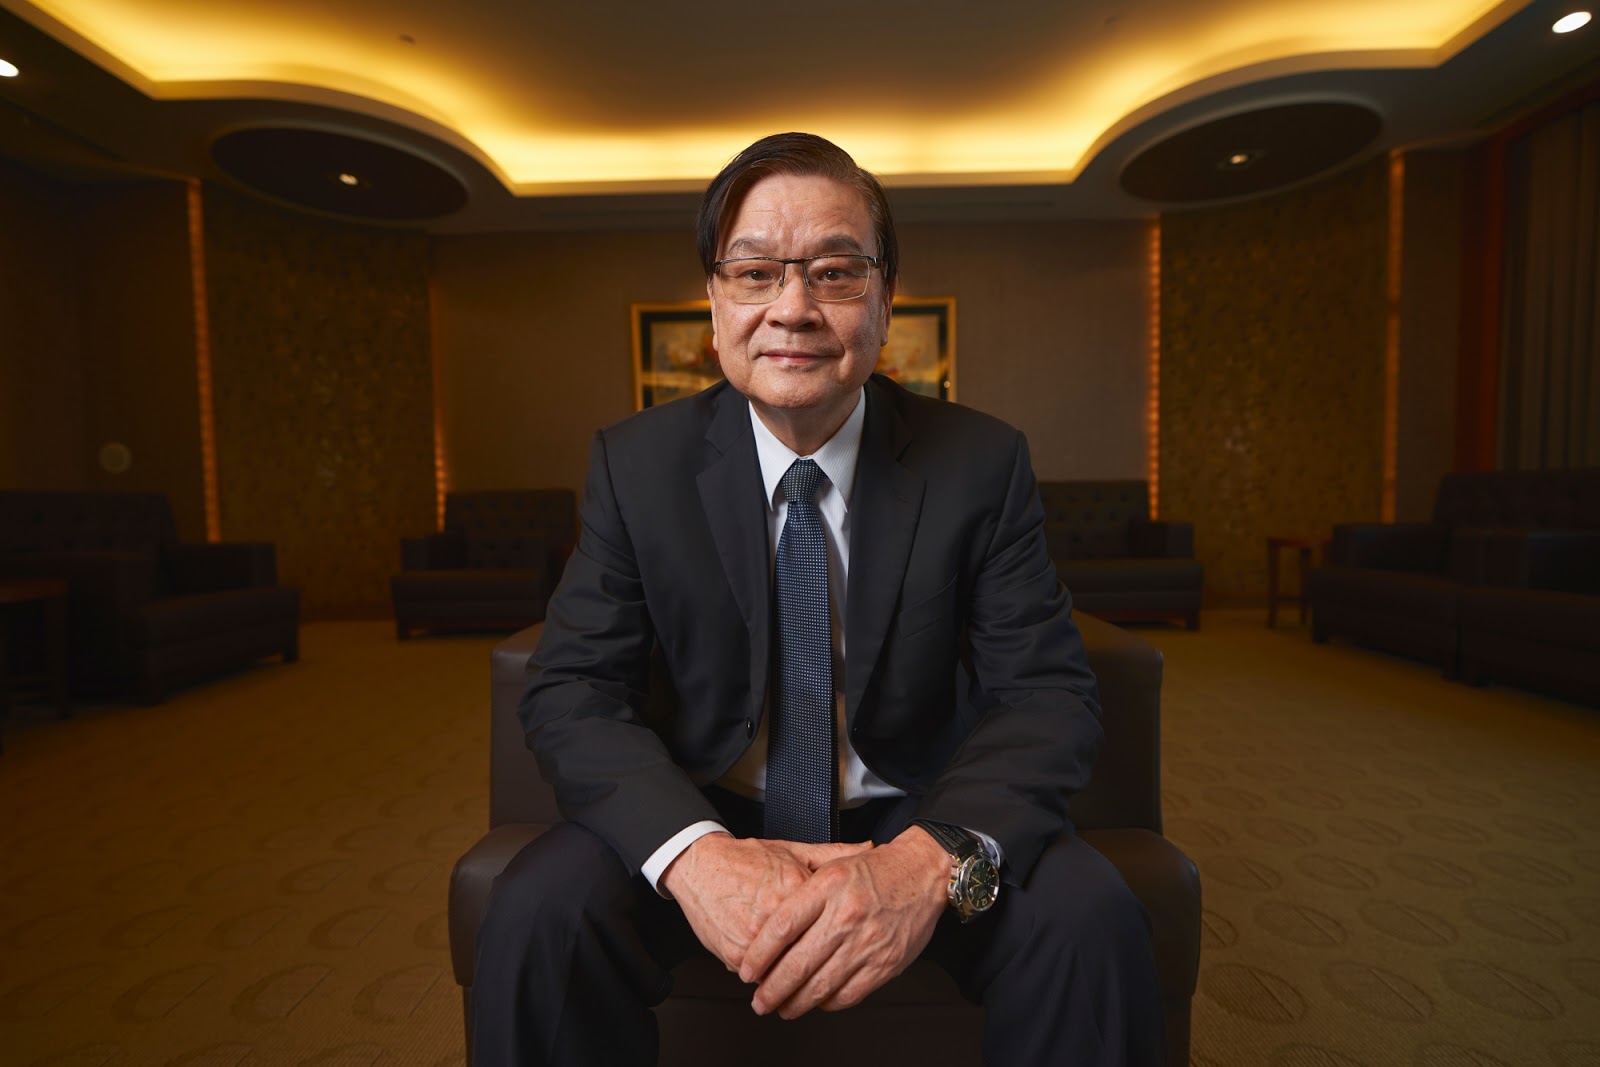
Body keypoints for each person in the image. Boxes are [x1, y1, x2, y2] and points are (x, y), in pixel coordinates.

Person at [471, 131, 1164, 1066]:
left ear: (884, 300)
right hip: (705, 802)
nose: (793, 308)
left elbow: (1046, 695)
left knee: (1090, 916)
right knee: (537, 909)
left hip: (915, 809)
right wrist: (696, 854)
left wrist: (924, 862)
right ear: (716, 301)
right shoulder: (635, 466)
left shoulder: (982, 463)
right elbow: (572, 690)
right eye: (755, 272)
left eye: (835, 272)